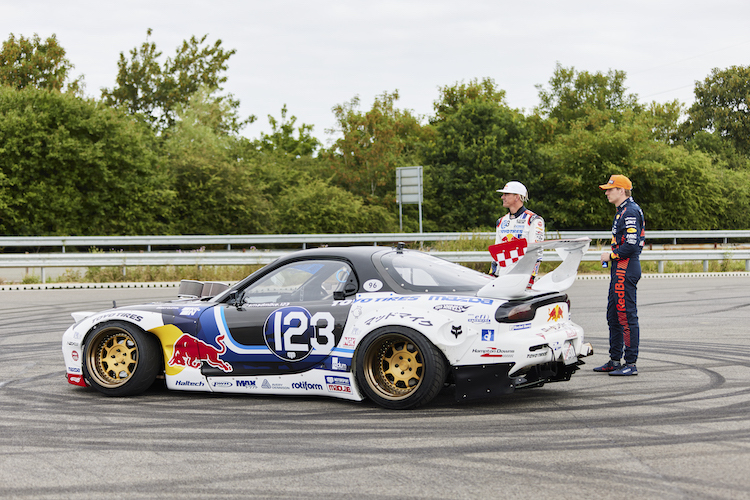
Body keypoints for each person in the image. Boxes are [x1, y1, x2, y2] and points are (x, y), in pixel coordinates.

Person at [594, 174, 645, 376]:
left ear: (621, 191)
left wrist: (611, 254)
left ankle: (630, 363)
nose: (606, 192)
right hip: (619, 267)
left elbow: (631, 245)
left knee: (626, 316)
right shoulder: (622, 211)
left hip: (626, 266)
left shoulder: (630, 211)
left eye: (610, 189)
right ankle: (615, 360)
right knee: (613, 315)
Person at [491, 181, 545, 281]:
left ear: (517, 197)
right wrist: (493, 275)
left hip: (522, 278)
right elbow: (497, 253)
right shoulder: (501, 221)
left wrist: (531, 278)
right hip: (502, 278)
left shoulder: (533, 220)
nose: (503, 197)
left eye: (506, 194)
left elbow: (537, 252)